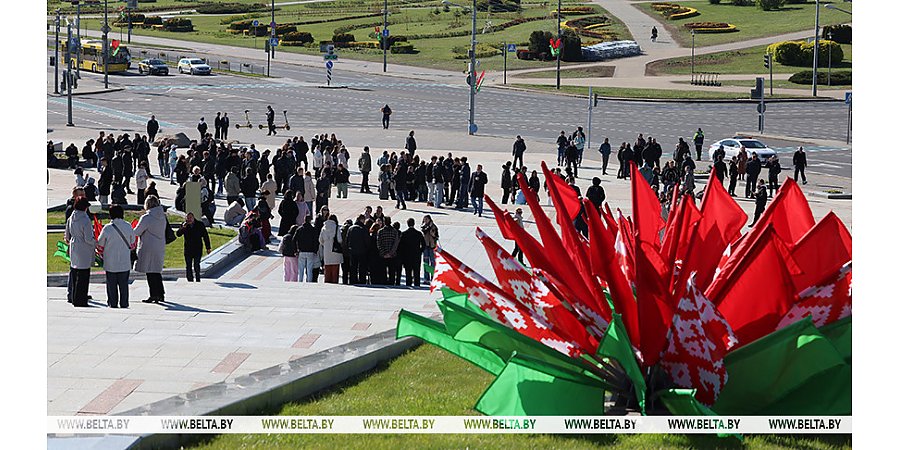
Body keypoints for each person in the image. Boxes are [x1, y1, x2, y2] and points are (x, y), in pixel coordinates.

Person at [96, 204, 135, 308]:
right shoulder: (128, 226)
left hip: (110, 262)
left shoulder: (107, 228)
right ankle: (124, 303)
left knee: (111, 285)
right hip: (124, 261)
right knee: (124, 285)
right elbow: (133, 242)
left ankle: (112, 303)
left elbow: (100, 244)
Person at [135, 195, 167, 303]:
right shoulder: (162, 217)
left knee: (150, 272)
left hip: (148, 246)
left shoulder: (147, 217)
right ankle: (160, 293)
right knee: (156, 271)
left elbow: (137, 232)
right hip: (159, 245)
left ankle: (154, 294)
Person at [65, 197, 96, 307]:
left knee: (74, 272)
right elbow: (88, 238)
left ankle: (74, 297)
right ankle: (81, 299)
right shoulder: (85, 220)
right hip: (83, 248)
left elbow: (67, 235)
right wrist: (95, 242)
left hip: (74, 245)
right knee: (83, 275)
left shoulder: (71, 218)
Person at [176, 212, 211, 283]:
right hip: (188, 248)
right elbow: (178, 234)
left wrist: (208, 247)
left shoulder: (200, 224)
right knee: (188, 265)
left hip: (197, 248)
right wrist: (183, 228)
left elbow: (205, 236)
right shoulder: (184, 225)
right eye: (187, 218)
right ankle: (190, 279)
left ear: (193, 218)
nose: (189, 220)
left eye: (190, 218)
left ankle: (198, 278)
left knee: (196, 264)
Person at [399, 218, 425, 287]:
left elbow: (401, 246)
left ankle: (408, 284)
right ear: (414, 224)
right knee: (416, 272)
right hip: (416, 256)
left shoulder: (404, 234)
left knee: (408, 272)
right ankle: (417, 284)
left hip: (407, 256)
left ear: (407, 224)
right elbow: (424, 244)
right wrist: (420, 251)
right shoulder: (419, 233)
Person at [319, 214, 343, 284]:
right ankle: (334, 282)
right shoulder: (336, 228)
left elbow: (320, 240)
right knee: (335, 268)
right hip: (335, 251)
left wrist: (326, 244)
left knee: (327, 268)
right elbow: (339, 240)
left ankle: (327, 282)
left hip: (327, 251)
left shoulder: (323, 228)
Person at [377, 218, 401, 285]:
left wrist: (384, 253)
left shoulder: (380, 231)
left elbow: (379, 243)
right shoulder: (394, 231)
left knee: (383, 270)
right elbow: (396, 243)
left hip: (383, 255)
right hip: (392, 255)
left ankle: (384, 281)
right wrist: (391, 253)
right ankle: (391, 282)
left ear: (384, 222)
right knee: (392, 271)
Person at [346, 216, 370, 284]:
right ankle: (362, 281)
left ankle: (353, 280)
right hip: (362, 251)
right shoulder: (364, 228)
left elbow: (347, 240)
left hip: (352, 251)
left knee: (353, 267)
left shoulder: (350, 228)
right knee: (362, 268)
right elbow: (367, 241)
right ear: (362, 220)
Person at [295, 215, 318, 282]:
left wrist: (296, 249)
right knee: (309, 268)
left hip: (301, 251)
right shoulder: (313, 229)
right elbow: (316, 241)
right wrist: (315, 250)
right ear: (310, 220)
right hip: (310, 251)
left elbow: (294, 239)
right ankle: (309, 281)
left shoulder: (299, 229)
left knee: (301, 268)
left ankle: (300, 280)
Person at [421, 215, 438, 283]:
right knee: (426, 263)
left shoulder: (433, 226)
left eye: (426, 219)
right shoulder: (423, 226)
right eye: (424, 219)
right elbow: (423, 232)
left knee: (433, 262)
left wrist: (431, 230)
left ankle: (433, 277)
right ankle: (426, 278)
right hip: (426, 246)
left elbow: (435, 235)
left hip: (432, 246)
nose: (425, 221)